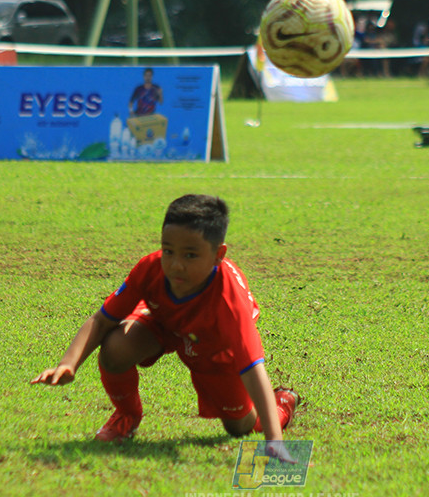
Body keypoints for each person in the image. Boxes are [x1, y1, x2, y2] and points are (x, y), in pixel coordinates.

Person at [31, 194, 300, 459]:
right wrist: (68, 363)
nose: (175, 265)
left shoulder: (229, 306)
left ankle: (283, 404)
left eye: (191, 255)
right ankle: (127, 416)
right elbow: (102, 320)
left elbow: (253, 369)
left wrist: (274, 441)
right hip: (165, 321)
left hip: (212, 344)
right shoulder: (150, 268)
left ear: (219, 255)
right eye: (168, 250)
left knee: (239, 427)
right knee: (116, 348)